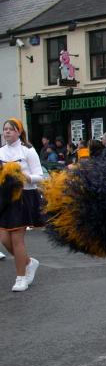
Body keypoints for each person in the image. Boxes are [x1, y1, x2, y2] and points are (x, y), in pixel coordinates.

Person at [0, 118, 42, 292]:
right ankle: (28, 263)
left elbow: (40, 175)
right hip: (5, 198)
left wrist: (25, 177)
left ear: (19, 132)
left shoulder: (28, 150)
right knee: (4, 239)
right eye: (5, 129)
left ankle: (21, 278)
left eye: (11, 129)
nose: (7, 132)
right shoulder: (1, 151)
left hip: (23, 196)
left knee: (17, 239)